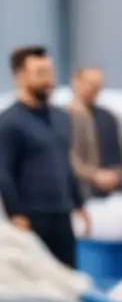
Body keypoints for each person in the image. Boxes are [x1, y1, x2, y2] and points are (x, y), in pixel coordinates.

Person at [0, 46, 89, 266]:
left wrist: (79, 203)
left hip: (62, 213)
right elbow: (4, 171)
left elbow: (66, 163)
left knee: (68, 279)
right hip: (31, 217)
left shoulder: (60, 118)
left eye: (50, 73)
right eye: (40, 74)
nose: (47, 80)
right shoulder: (10, 122)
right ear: (20, 76)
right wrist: (15, 213)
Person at [67, 65, 122, 199]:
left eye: (98, 85)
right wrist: (94, 175)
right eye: (90, 83)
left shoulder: (107, 117)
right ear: (75, 81)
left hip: (110, 193)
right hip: (79, 191)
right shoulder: (64, 117)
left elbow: (117, 154)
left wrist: (114, 175)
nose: (94, 89)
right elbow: (67, 157)